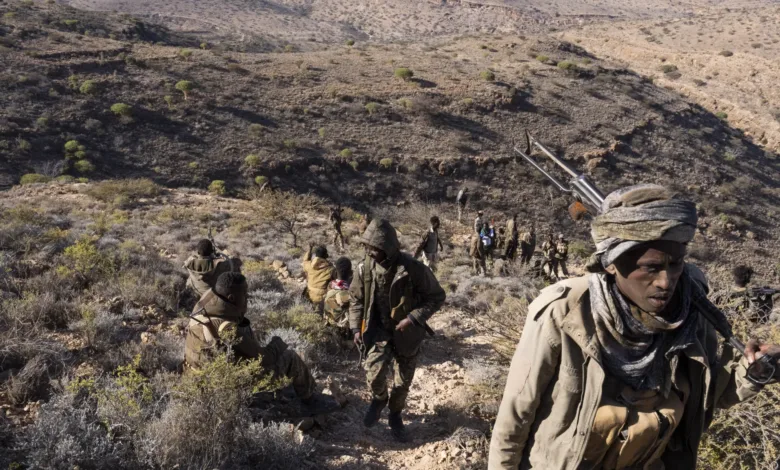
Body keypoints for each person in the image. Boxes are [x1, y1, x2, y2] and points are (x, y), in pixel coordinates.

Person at [488, 184, 780, 470]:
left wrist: (752, 373)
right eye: (651, 267)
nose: (666, 282)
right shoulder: (566, 311)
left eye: (676, 264)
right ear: (610, 264)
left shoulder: (690, 315)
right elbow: (516, 416)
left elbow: (710, 396)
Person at [350, 219, 446, 442]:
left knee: (402, 384)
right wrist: (356, 327)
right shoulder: (364, 269)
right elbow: (356, 299)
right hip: (379, 331)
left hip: (407, 335)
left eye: (374, 249)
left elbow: (437, 296)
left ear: (388, 249)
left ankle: (395, 415)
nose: (369, 252)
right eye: (367, 247)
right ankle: (379, 399)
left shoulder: (412, 268)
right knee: (374, 376)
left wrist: (413, 318)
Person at [184, 272, 315, 400]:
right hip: (225, 387)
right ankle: (310, 398)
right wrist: (277, 342)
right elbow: (265, 359)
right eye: (244, 295)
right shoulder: (226, 327)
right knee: (290, 357)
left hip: (196, 377)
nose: (247, 298)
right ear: (231, 298)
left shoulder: (202, 310)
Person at [302, 244, 335, 315]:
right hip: (322, 299)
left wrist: (309, 251)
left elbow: (304, 261)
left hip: (310, 296)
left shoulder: (309, 266)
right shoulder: (331, 269)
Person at [324, 257, 353, 332]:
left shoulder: (330, 287)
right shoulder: (350, 293)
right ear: (351, 273)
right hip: (344, 328)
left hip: (330, 324)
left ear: (336, 272)